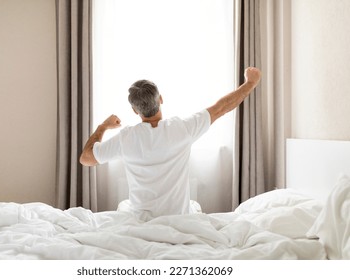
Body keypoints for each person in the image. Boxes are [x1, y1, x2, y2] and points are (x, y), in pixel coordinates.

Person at [80, 67, 261, 221]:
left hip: (140, 220)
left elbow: (86, 158)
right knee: (195, 207)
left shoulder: (125, 138)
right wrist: (250, 83)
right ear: (161, 99)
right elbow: (221, 107)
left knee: (123, 207)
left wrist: (103, 127)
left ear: (135, 110)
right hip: (178, 217)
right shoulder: (182, 128)